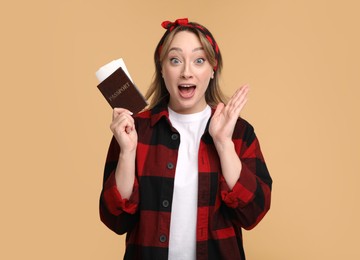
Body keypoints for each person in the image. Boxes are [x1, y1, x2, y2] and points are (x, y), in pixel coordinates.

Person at [99, 18, 272, 260]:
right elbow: (115, 219)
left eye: (199, 60)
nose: (186, 72)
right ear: (162, 69)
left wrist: (223, 144)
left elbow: (253, 213)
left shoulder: (239, 133)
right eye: (175, 60)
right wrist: (128, 152)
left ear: (213, 69)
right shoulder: (134, 130)